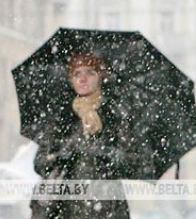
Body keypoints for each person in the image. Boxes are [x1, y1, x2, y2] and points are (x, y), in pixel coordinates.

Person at [30, 53, 149, 219]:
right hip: (65, 209)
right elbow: (40, 162)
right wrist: (61, 155)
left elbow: (136, 163)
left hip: (107, 208)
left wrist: (109, 154)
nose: (82, 78)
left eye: (89, 72)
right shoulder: (62, 119)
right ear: (71, 80)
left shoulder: (114, 117)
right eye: (76, 74)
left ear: (99, 77)